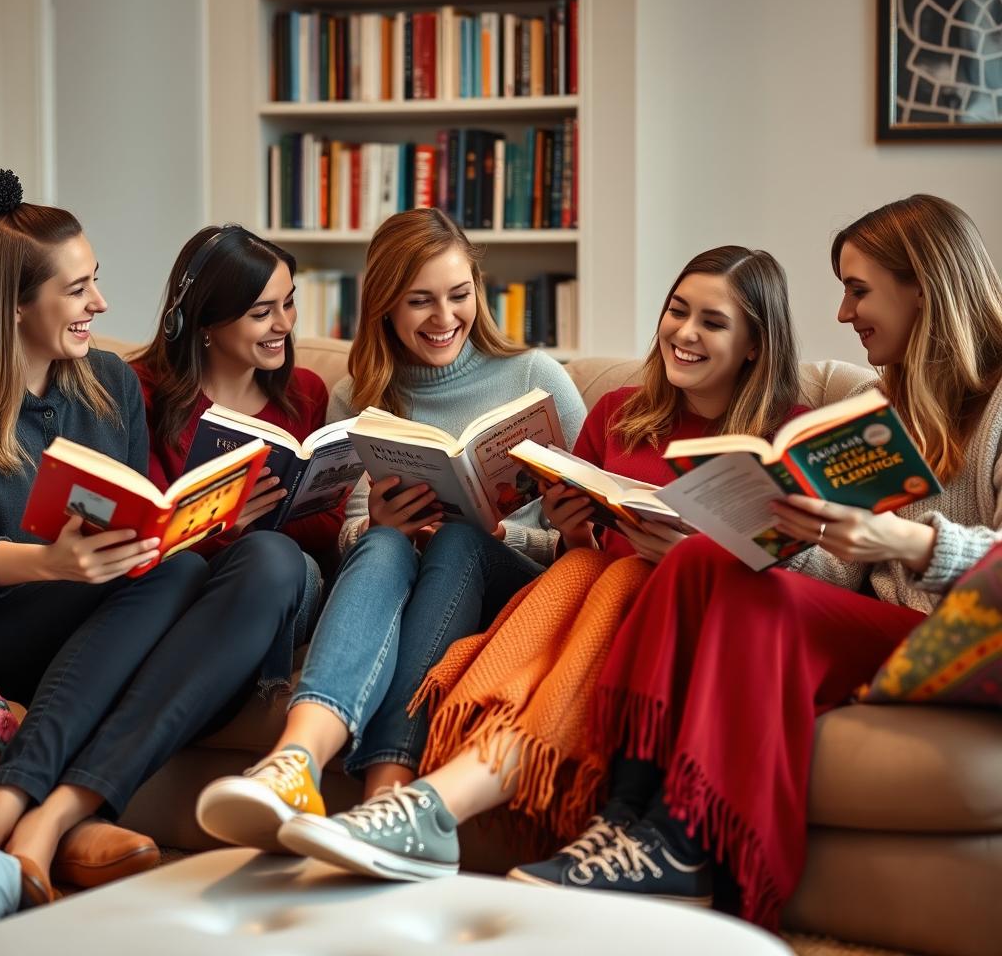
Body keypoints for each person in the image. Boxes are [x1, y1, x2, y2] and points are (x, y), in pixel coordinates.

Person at [506, 194, 1002, 930]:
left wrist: (906, 542)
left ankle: (688, 842)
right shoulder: (881, 401)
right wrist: (768, 542)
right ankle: (631, 819)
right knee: (701, 561)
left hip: (964, 645)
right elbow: (837, 581)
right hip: (889, 632)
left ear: (922, 288)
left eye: (858, 290)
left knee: (727, 575)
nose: (841, 313)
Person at [265, 245, 805, 897]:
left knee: (614, 575)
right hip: (583, 591)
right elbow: (576, 544)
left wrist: (696, 553)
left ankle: (427, 804)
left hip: (666, 613)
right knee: (576, 564)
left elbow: (813, 568)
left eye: (711, 323)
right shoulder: (622, 415)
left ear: (755, 343)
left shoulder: (787, 437)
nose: (683, 333)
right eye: (676, 312)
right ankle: (400, 792)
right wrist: (573, 525)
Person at [195, 207, 587, 851]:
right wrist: (378, 524)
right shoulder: (364, 392)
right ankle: (297, 764)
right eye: (419, 301)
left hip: (516, 584)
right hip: (415, 580)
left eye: (459, 296)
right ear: (385, 304)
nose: (443, 319)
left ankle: (388, 783)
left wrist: (506, 535)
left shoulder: (536, 378)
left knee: (462, 539)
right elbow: (351, 535)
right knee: (379, 542)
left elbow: (590, 543)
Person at [0, 169, 308, 914]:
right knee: (176, 573)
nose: (101, 304)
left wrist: (192, 524)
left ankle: (45, 814)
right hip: (6, 626)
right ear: (14, 307)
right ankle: (14, 810)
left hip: (105, 619)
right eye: (78, 290)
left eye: (97, 281)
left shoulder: (105, 384)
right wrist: (44, 561)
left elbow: (137, 524)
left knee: (233, 562)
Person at [132, 225, 340, 689]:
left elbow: (326, 527)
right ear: (205, 321)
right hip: (179, 595)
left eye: (289, 302)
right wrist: (224, 521)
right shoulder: (142, 393)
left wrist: (260, 519)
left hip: (284, 593)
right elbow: (145, 537)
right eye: (262, 312)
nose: (285, 325)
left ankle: (259, 684)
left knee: (288, 561)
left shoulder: (306, 392)